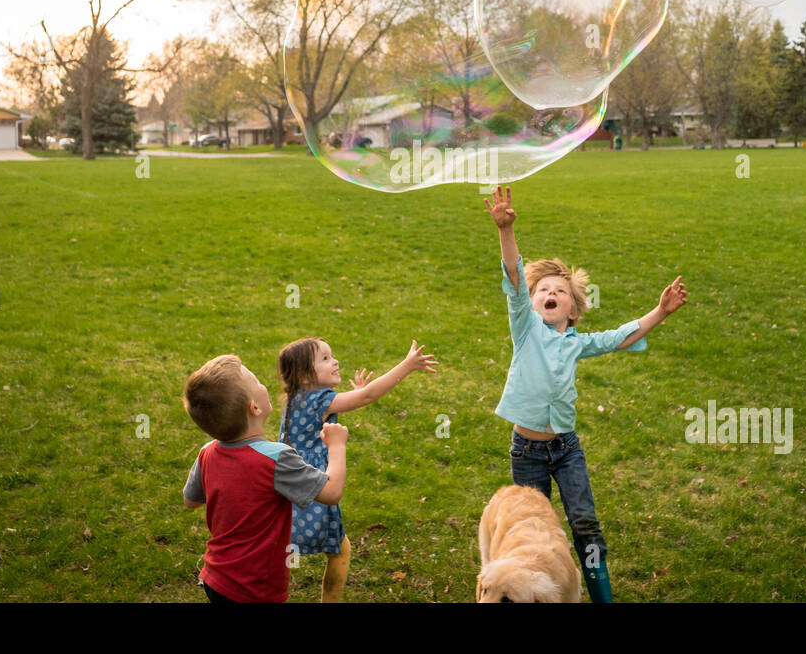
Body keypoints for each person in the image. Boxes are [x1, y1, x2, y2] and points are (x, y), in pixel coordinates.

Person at [483, 185, 687, 602]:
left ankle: (601, 595)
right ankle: (533, 593)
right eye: (544, 291)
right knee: (531, 530)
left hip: (567, 449)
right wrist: (506, 230)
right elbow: (516, 279)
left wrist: (661, 312)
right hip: (527, 452)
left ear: (573, 310)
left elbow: (619, 337)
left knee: (585, 524)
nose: (551, 294)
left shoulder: (577, 342)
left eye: (560, 291)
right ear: (532, 303)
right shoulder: (525, 329)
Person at [277, 336, 438, 602]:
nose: (335, 360)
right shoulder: (320, 401)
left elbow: (353, 401)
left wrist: (353, 396)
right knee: (340, 551)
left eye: (332, 354)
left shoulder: (296, 398)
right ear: (305, 377)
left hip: (287, 486)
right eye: (325, 359)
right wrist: (406, 366)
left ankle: (267, 591)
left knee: (281, 547)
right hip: (316, 487)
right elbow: (369, 396)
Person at [182, 354, 347, 603]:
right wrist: (336, 447)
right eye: (256, 381)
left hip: (215, 577)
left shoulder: (207, 452)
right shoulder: (276, 459)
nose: (263, 384)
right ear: (254, 407)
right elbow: (331, 492)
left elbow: (191, 501)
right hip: (255, 588)